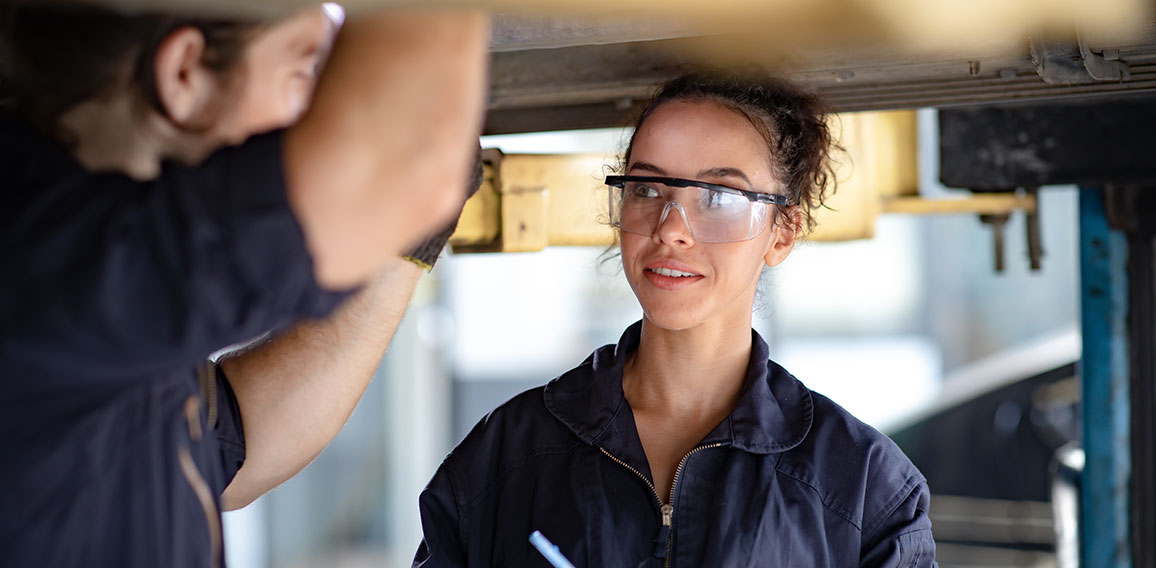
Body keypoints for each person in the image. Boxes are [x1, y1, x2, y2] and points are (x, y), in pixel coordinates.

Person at [0, 2, 487, 566]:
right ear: (185, 73)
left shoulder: (96, 270)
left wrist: (398, 241)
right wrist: (392, 177)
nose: (319, 115)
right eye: (304, 71)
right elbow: (397, 159)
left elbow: (238, 451)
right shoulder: (51, 265)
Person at [413, 71, 936, 567]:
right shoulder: (505, 455)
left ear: (783, 231)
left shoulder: (865, 487)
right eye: (647, 189)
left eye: (718, 196)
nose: (671, 230)